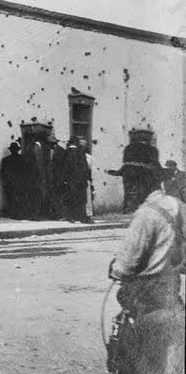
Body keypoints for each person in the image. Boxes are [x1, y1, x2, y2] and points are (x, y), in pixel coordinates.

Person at [108, 171, 186, 373]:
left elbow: (126, 265)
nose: (128, 187)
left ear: (142, 182)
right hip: (172, 298)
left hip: (145, 302)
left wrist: (116, 268)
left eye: (130, 180)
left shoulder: (145, 214)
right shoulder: (178, 206)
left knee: (133, 360)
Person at [59, 138, 90, 223]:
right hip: (81, 180)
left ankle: (70, 216)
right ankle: (81, 217)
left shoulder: (65, 153)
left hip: (70, 180)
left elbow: (63, 168)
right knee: (81, 199)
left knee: (70, 198)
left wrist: (64, 179)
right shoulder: (81, 152)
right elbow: (85, 167)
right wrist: (86, 179)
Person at [0, 142, 31, 219]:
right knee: (18, 199)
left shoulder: (5, 160)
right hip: (19, 182)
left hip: (10, 182)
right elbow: (26, 172)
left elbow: (2, 173)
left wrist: (5, 181)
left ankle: (12, 213)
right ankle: (18, 214)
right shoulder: (22, 159)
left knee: (11, 198)